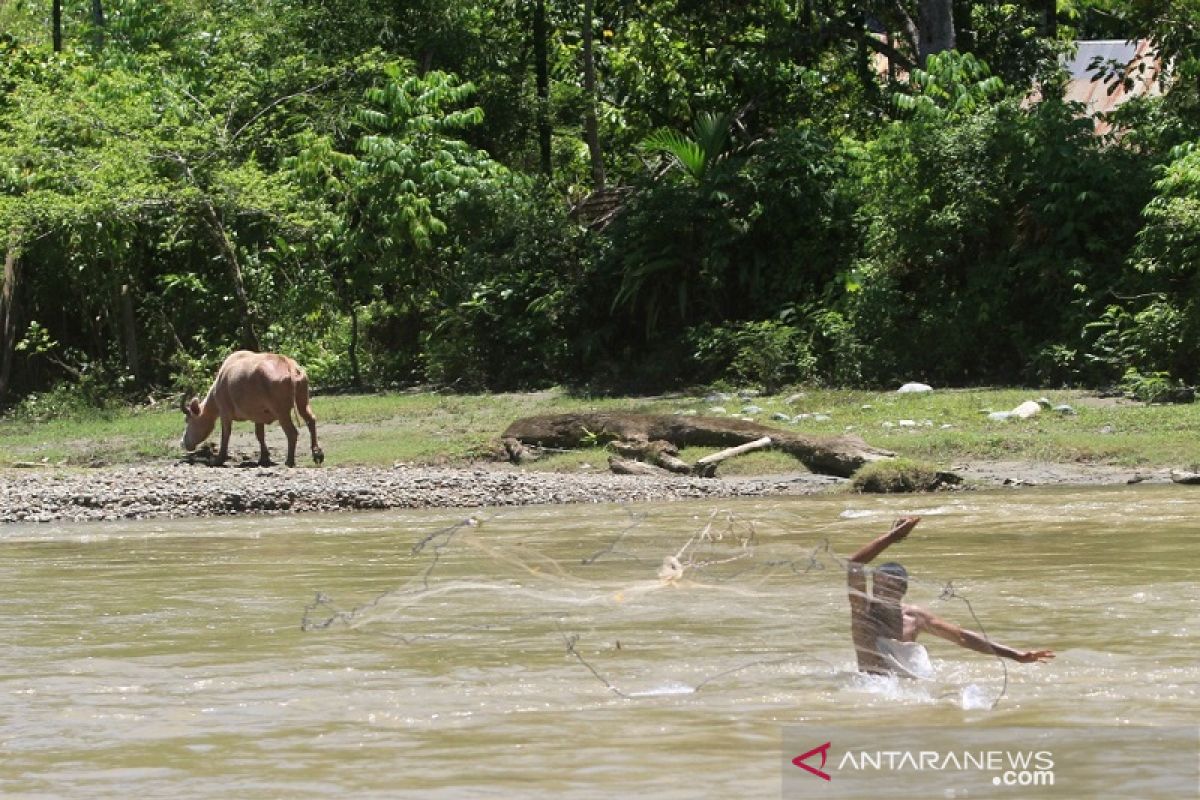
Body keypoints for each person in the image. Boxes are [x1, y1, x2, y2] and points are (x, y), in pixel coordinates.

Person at [847, 516, 1055, 676]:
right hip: (870, 684)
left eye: (888, 588)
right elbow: (854, 564)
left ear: (902, 590)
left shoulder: (915, 617)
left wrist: (1015, 655)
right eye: (878, 586)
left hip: (903, 687)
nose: (880, 593)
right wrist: (893, 537)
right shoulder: (863, 611)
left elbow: (962, 637)